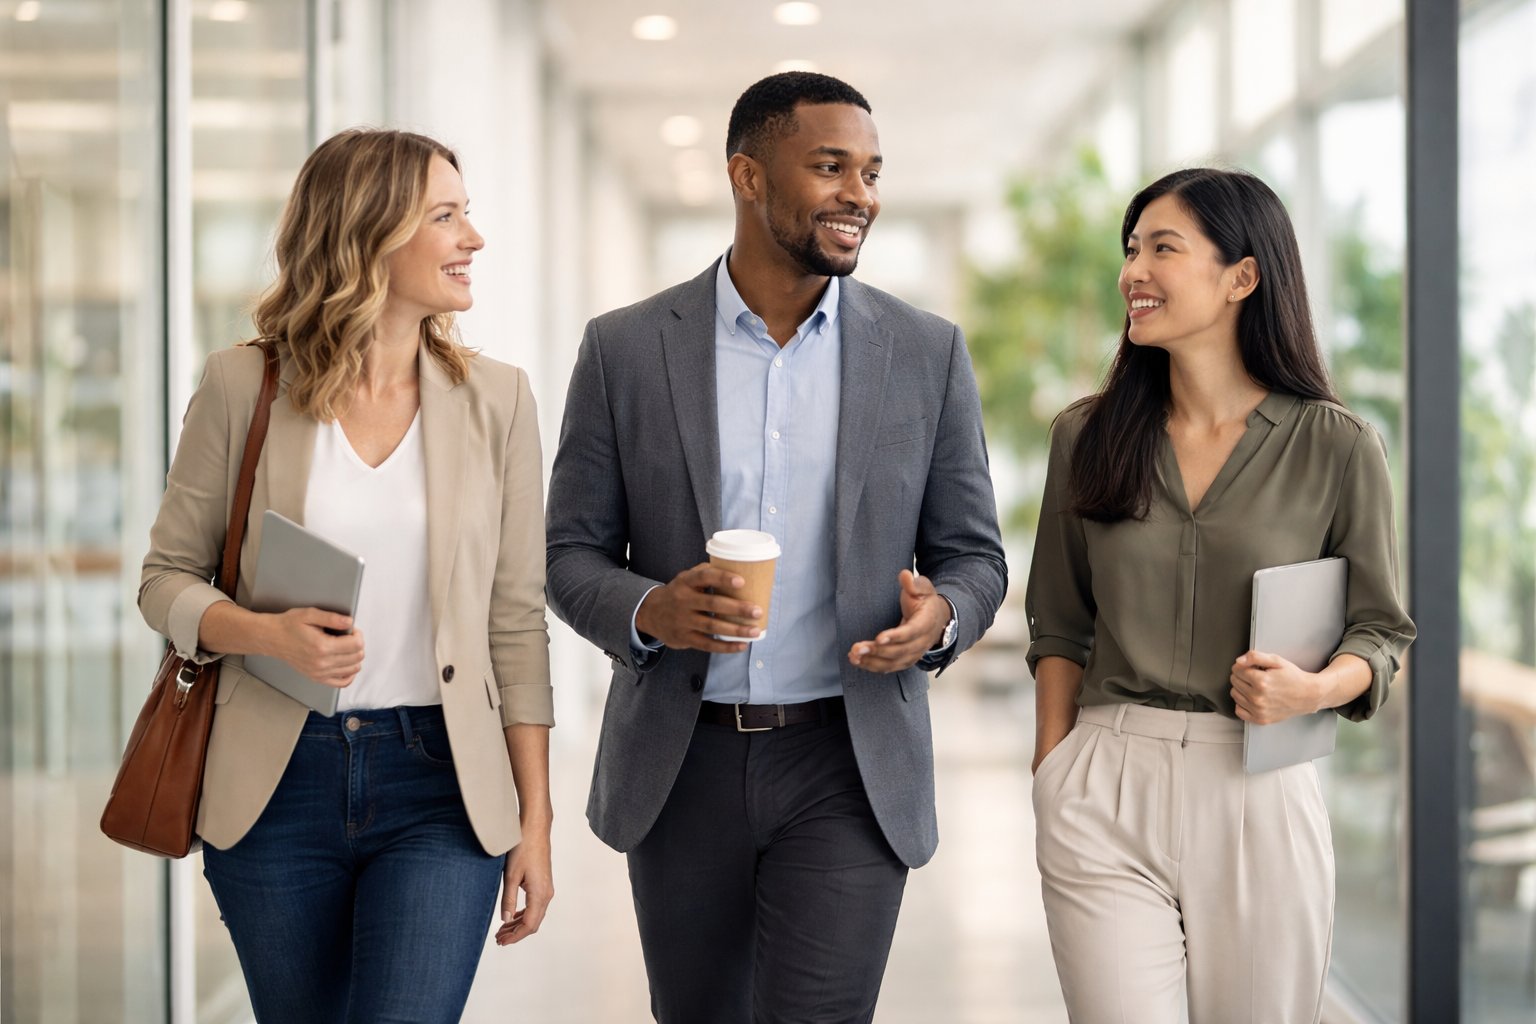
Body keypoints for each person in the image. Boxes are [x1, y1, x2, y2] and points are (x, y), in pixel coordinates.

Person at [545, 72, 1007, 1023]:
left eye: (872, 172)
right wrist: (649, 609)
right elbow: (569, 553)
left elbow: (976, 556)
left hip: (848, 759)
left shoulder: (924, 353)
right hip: (683, 764)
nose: (861, 195)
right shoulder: (627, 349)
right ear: (747, 175)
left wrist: (944, 617)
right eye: (830, 166)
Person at [138, 128, 554, 1023]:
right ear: (368, 234)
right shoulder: (242, 385)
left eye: (466, 214)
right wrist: (261, 633)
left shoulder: (499, 401)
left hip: (438, 780)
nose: (472, 240)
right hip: (275, 783)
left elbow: (515, 624)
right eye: (446, 217)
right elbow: (164, 581)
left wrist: (536, 822)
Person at [1026, 167, 1417, 1023]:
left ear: (1242, 276)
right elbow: (1059, 624)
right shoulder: (1084, 438)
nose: (1134, 271)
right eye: (1131, 250)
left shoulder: (1337, 446)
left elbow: (1382, 632)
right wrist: (1053, 767)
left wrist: (1313, 690)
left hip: (1259, 786)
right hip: (1104, 784)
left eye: (1163, 248)